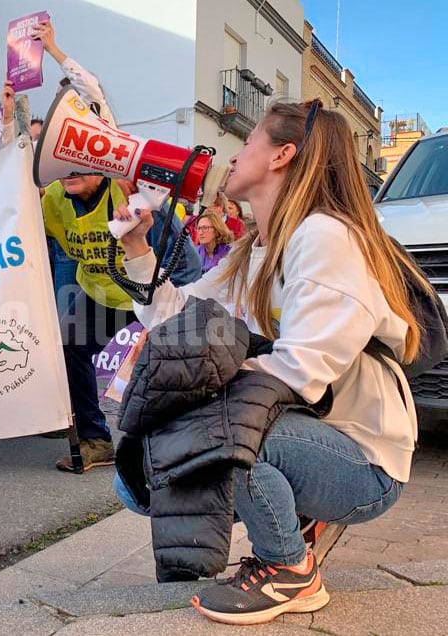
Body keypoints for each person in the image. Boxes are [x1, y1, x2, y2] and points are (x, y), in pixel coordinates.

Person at [114, 100, 422, 624]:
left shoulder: (327, 236)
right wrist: (139, 245)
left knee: (218, 430)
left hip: (365, 460)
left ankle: (289, 570)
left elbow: (304, 367)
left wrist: (190, 404)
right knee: (142, 471)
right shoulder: (258, 249)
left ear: (282, 154)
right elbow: (180, 315)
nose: (233, 160)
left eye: (249, 141)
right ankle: (295, 518)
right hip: (315, 432)